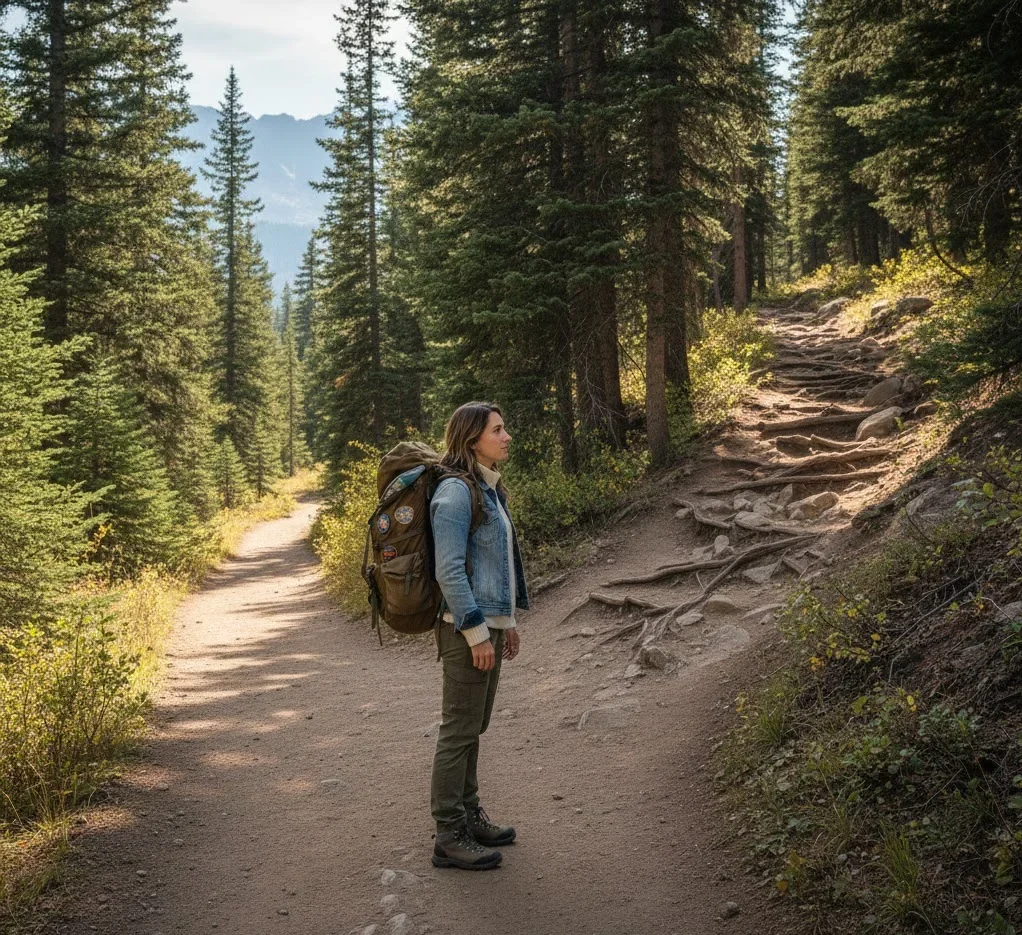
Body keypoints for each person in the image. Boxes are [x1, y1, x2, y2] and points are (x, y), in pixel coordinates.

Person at [428, 401, 529, 871]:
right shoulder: (454, 493)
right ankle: (449, 835)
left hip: (488, 626)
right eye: (497, 430)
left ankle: (469, 815)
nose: (506, 437)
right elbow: (449, 570)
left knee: (474, 726)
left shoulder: (488, 489)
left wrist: (506, 623)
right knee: (457, 731)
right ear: (472, 439)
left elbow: (494, 566)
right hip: (464, 629)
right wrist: (476, 633)